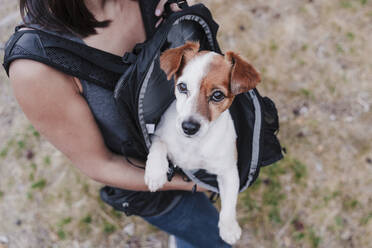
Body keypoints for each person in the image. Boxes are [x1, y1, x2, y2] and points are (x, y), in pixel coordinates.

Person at [5, 0, 231, 247]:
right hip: (151, 185)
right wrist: (195, 182)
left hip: (197, 142)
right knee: (213, 238)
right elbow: (100, 163)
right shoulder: (36, 66)